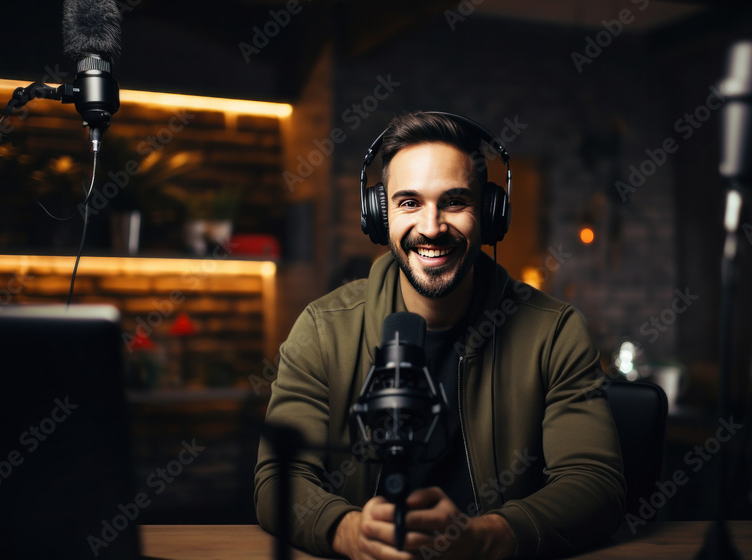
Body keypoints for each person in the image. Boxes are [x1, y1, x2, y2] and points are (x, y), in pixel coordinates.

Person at [254, 111, 625, 559]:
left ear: (490, 213)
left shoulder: (554, 331)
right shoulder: (322, 328)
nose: (431, 227)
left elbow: (596, 484)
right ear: (378, 214)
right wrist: (349, 531)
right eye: (409, 202)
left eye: (454, 201)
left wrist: (487, 536)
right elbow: (278, 477)